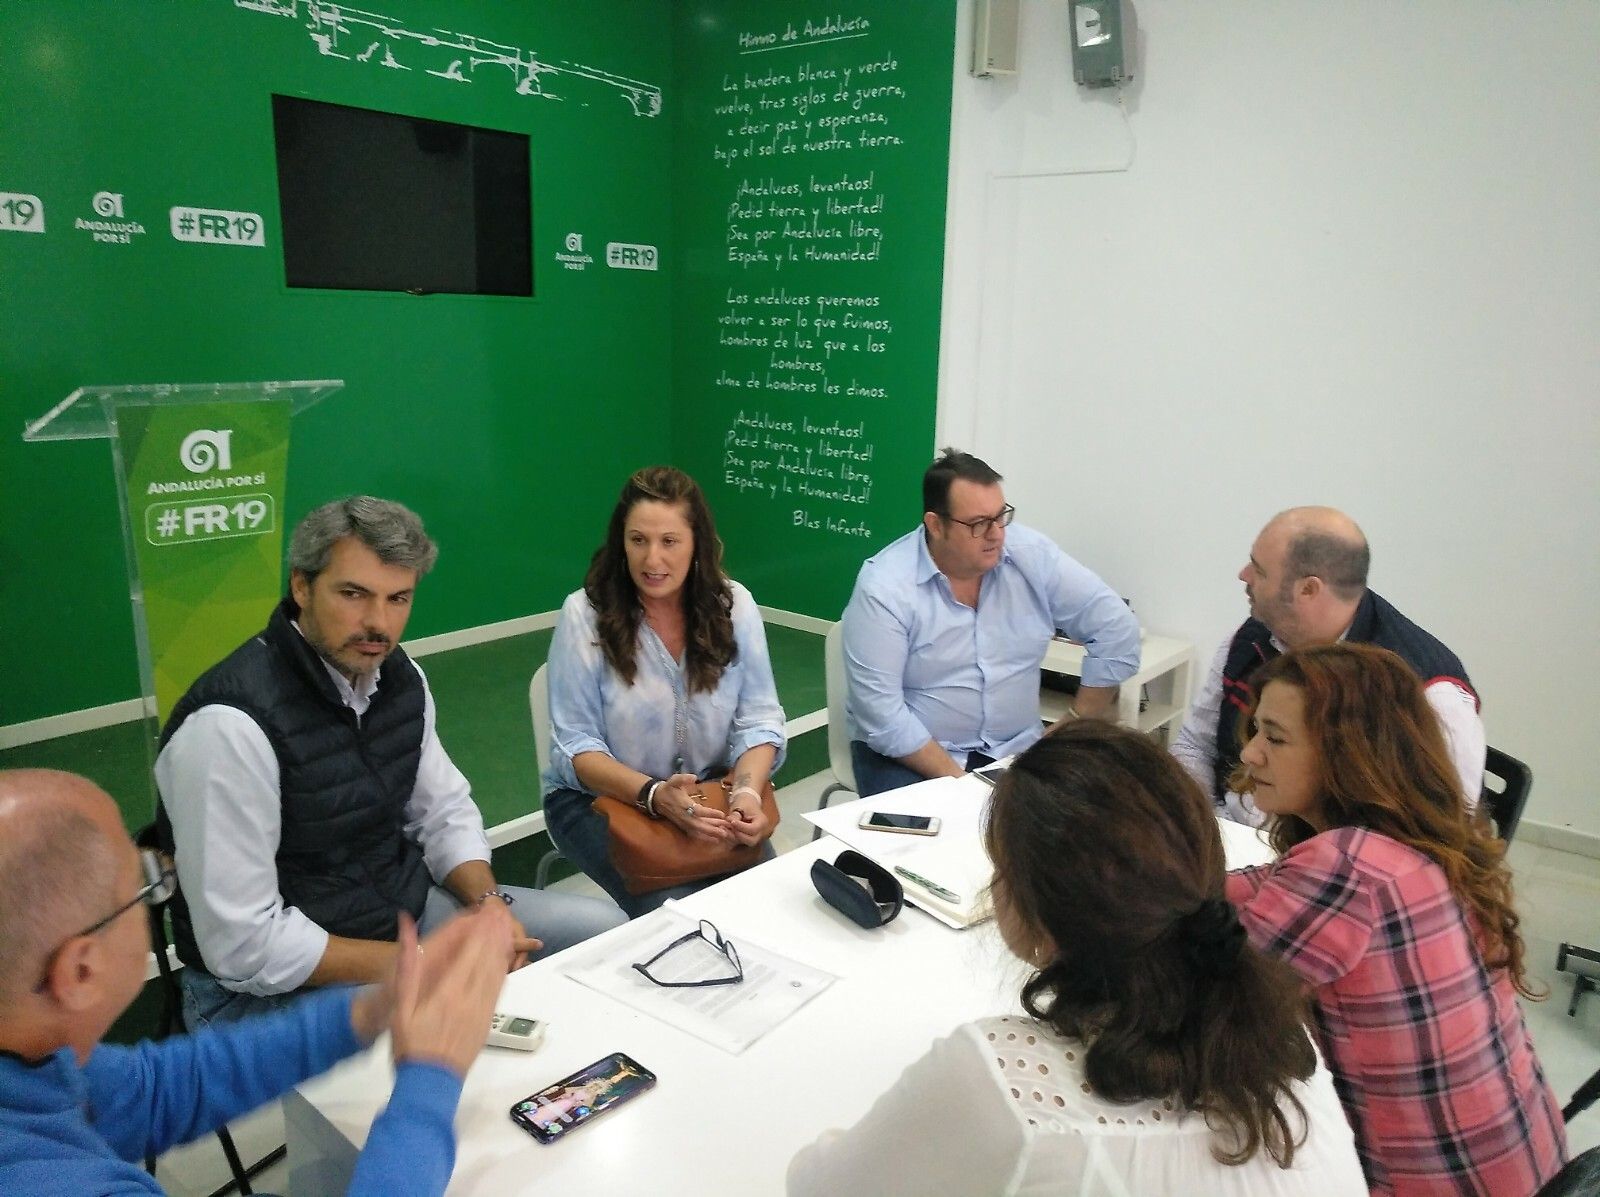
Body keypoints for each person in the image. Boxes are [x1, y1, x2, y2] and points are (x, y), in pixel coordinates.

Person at [788, 723, 1366, 1196]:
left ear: (1039, 912)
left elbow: (819, 1185)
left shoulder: (1004, 1084)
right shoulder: (1281, 1034)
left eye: (1002, 867)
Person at [154, 496, 624, 1028]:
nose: (377, 623)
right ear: (301, 586)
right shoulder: (229, 727)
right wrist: (423, 965)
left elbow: (442, 810)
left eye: (398, 598)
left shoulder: (401, 679)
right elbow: (245, 948)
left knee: (602, 932)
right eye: (353, 594)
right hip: (268, 991)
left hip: (400, 917)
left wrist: (489, 905)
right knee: (454, 1045)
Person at [0, 768, 516, 1197]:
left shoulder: (35, 1057)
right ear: (79, 971)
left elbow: (153, 1092)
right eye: (143, 886)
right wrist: (433, 1076)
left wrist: (372, 1008)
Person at [1226, 643, 1566, 1196]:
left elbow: (1201, 998)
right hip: (1527, 1168)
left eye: (1275, 737)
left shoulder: (1345, 866)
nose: (1252, 755)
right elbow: (1258, 888)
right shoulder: (1423, 841)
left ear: (1347, 753)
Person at [544, 466, 786, 918]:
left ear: (697, 542)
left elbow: (759, 722)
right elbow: (575, 747)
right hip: (603, 802)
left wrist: (747, 794)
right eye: (638, 540)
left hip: (710, 798)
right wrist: (655, 795)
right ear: (621, 543)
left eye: (669, 542)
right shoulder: (584, 615)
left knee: (766, 907)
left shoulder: (734, 607)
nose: (652, 560)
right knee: (678, 923)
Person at [841, 448, 1140, 796]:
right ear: (936, 525)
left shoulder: (1031, 556)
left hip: (1017, 751)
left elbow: (1117, 630)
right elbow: (883, 718)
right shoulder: (886, 587)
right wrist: (966, 790)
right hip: (910, 755)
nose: (997, 534)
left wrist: (1074, 722)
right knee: (932, 844)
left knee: (1092, 825)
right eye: (979, 524)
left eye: (1001, 517)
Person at [1172, 506, 1484, 824]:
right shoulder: (1250, 638)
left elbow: (1448, 828)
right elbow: (1195, 744)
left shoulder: (1427, 693)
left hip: (1335, 862)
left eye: (1259, 570)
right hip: (1228, 836)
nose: (1243, 575)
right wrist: (1204, 825)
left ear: (1309, 589)